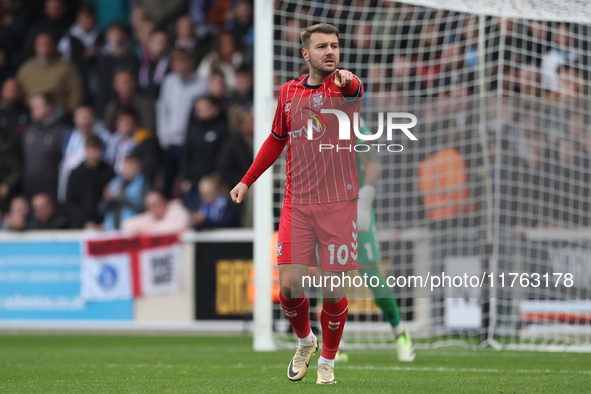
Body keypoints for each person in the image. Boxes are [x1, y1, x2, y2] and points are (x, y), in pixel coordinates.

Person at [230, 23, 363, 384]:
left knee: (334, 290)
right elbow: (276, 140)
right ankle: (306, 342)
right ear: (306, 54)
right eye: (322, 47)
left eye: (334, 45)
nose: (330, 52)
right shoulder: (289, 92)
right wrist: (246, 180)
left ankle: (328, 363)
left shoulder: (345, 87)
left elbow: (355, 88)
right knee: (288, 285)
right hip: (298, 203)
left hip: (337, 205)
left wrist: (349, 81)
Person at [157, 48, 208, 199]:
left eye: (181, 63)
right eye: (176, 63)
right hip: (170, 141)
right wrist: (163, 137)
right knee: (167, 180)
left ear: (190, 63)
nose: (178, 66)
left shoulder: (202, 83)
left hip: (191, 141)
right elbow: (163, 109)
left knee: (189, 181)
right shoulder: (169, 82)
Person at [180, 95, 228, 209]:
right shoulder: (192, 129)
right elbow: (185, 155)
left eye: (204, 108)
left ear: (215, 109)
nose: (200, 112)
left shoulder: (224, 129)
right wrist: (186, 177)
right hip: (193, 183)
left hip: (216, 181)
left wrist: (217, 177)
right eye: (198, 109)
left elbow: (225, 156)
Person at [16, 32, 83, 113]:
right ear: (35, 47)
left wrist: (70, 113)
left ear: (55, 46)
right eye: (43, 44)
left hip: (60, 115)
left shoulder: (67, 68)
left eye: (49, 44)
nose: (47, 47)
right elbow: (17, 94)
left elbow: (76, 95)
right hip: (31, 115)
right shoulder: (25, 69)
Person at [22, 92, 70, 202]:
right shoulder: (29, 131)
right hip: (29, 191)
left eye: (38, 106)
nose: (33, 109)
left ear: (50, 107)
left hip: (52, 193)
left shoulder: (62, 131)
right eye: (32, 107)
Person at [58, 105, 109, 203]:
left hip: (94, 190)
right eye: (81, 117)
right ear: (75, 119)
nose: (84, 120)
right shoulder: (69, 138)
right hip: (73, 189)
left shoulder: (104, 138)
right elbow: (65, 167)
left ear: (93, 118)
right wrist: (62, 195)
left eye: (87, 116)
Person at [66, 135, 114, 229]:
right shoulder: (76, 174)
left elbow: (113, 201)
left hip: (104, 225)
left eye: (96, 149)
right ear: (85, 149)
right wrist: (84, 223)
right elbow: (70, 203)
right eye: (91, 149)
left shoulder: (108, 172)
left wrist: (107, 222)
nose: (93, 153)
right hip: (81, 226)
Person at [101, 153, 148, 231]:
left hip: (132, 231)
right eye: (127, 164)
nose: (129, 168)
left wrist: (122, 198)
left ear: (139, 167)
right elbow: (100, 210)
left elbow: (143, 208)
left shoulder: (144, 184)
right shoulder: (114, 183)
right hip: (110, 230)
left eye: (133, 165)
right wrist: (106, 199)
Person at [121, 190, 190, 235]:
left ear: (165, 202)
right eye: (152, 205)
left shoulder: (177, 210)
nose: (157, 207)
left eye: (159, 202)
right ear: (149, 209)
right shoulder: (150, 216)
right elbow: (126, 224)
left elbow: (176, 227)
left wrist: (146, 232)